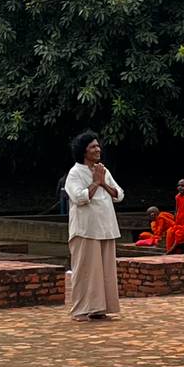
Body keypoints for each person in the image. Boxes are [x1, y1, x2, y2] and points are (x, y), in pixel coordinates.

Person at [64, 130, 124, 322]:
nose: (98, 149)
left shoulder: (102, 170)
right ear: (83, 151)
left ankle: (99, 309)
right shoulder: (75, 172)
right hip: (85, 229)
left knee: (105, 271)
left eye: (98, 146)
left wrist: (102, 182)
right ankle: (80, 310)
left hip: (106, 227)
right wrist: (95, 182)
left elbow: (119, 194)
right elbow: (79, 197)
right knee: (86, 270)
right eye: (93, 147)